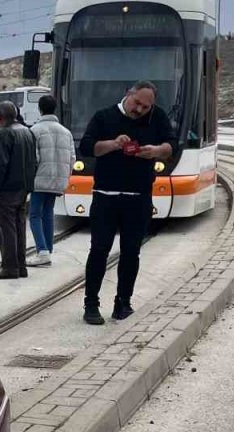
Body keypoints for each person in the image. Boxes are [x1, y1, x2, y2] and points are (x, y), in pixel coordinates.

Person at [77, 80, 176, 325]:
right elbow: (87, 147)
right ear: (127, 95)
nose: (140, 110)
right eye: (137, 103)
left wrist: (156, 151)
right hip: (106, 196)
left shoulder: (158, 116)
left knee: (132, 252)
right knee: (99, 250)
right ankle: (91, 303)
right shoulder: (104, 117)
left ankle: (123, 302)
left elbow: (171, 145)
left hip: (139, 197)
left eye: (145, 107)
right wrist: (113, 144)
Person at [0, 101, 38, 280]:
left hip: (7, 188)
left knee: (7, 227)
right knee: (19, 226)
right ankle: (21, 265)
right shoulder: (27, 131)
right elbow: (35, 160)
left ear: (0, 117)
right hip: (23, 187)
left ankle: (10, 266)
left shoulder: (5, 134)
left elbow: (0, 164)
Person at [27, 94, 75, 268]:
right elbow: (72, 158)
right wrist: (65, 177)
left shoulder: (35, 130)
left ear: (40, 109)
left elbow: (34, 158)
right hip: (58, 181)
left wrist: (29, 178)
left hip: (40, 179)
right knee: (48, 212)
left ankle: (42, 251)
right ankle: (48, 248)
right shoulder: (66, 132)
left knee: (34, 214)